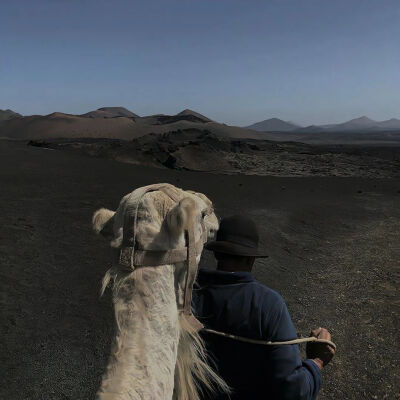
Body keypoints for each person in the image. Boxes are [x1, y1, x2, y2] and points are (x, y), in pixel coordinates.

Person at [193, 215, 335, 400]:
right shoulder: (267, 304)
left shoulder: (188, 295)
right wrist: (317, 361)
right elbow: (293, 391)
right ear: (251, 258)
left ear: (217, 253)